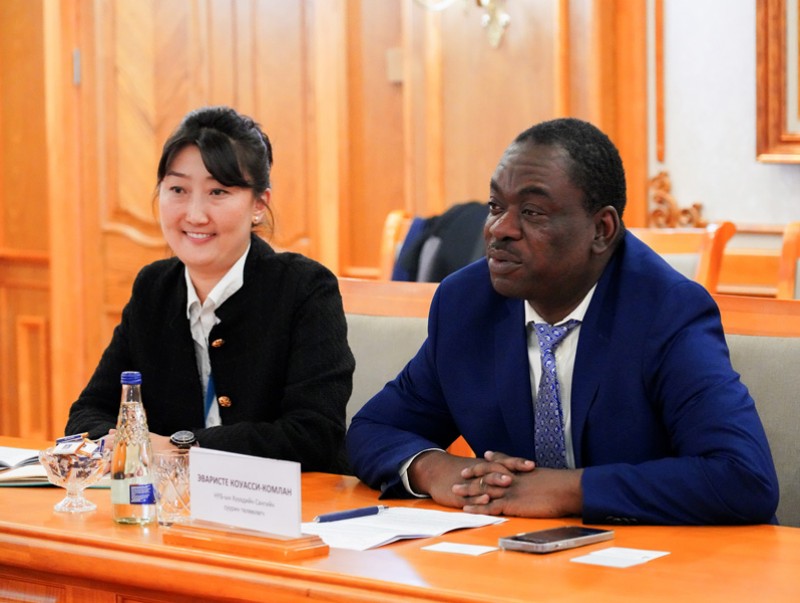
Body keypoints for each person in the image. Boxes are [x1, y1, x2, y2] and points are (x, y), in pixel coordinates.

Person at [346, 117, 779, 525]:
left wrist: (568, 490)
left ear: (602, 230)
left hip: (664, 557)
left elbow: (743, 477)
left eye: (532, 212)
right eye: (496, 205)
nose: (499, 228)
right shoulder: (467, 303)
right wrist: (436, 470)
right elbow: (374, 428)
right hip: (516, 556)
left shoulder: (665, 311)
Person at [66, 106, 354, 473]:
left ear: (259, 205)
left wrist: (185, 449)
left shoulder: (304, 289)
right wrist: (120, 444)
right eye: (178, 190)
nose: (195, 214)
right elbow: (89, 412)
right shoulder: (154, 288)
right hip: (167, 501)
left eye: (218, 191)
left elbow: (315, 435)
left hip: (278, 500)